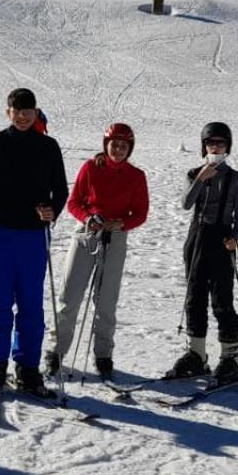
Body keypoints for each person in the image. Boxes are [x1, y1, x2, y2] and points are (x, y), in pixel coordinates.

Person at [0, 89, 69, 399]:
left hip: (33, 236)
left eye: (28, 110)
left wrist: (53, 210)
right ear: (8, 111)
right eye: (17, 110)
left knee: (30, 305)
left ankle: (27, 369)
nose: (23, 115)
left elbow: (60, 190)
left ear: (36, 112)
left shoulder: (48, 147)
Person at [45, 123, 149, 382]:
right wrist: (89, 216)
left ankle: (103, 355)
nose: (118, 149)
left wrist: (121, 223)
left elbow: (140, 213)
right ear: (106, 145)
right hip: (86, 236)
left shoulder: (136, 176)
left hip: (115, 239)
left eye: (123, 146)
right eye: (114, 144)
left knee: (106, 302)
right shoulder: (90, 168)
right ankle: (55, 352)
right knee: (69, 298)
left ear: (130, 149)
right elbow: (74, 202)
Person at [165, 122, 238, 386]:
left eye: (220, 144)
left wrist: (234, 237)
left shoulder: (235, 178)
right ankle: (197, 354)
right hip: (197, 236)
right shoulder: (193, 173)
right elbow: (186, 203)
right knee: (195, 294)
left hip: (222, 238)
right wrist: (200, 179)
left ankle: (230, 358)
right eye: (211, 144)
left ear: (228, 147)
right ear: (204, 147)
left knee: (222, 298)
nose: (215, 148)